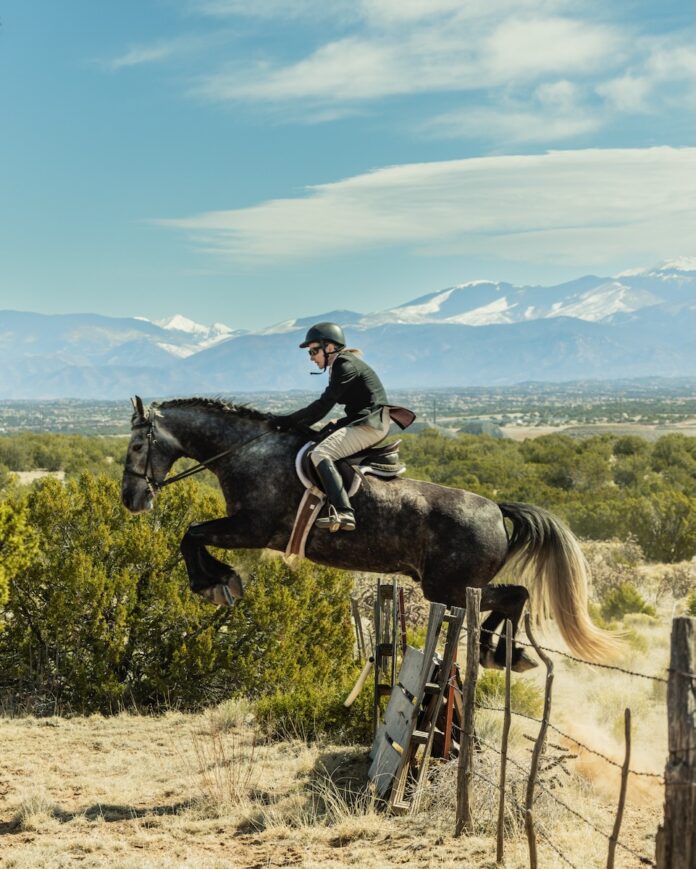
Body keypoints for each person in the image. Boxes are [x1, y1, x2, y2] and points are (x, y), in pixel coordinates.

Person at [271, 322, 391, 532]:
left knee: (321, 453)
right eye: (310, 352)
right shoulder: (341, 364)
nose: (311, 357)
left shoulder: (345, 365)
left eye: (314, 350)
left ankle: (344, 512)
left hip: (371, 424)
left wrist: (286, 421)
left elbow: (322, 406)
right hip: (365, 419)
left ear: (329, 348)